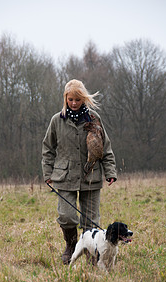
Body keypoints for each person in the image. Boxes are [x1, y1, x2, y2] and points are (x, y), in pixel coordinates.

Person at [42, 79, 117, 265]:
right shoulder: (56, 120)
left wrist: (110, 171)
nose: (74, 103)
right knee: (66, 216)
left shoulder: (94, 119)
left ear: (83, 99)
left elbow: (106, 147)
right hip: (63, 176)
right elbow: (47, 148)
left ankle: (92, 253)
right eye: (70, 99)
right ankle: (71, 245)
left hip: (91, 176)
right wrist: (47, 173)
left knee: (91, 221)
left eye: (77, 99)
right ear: (65, 99)